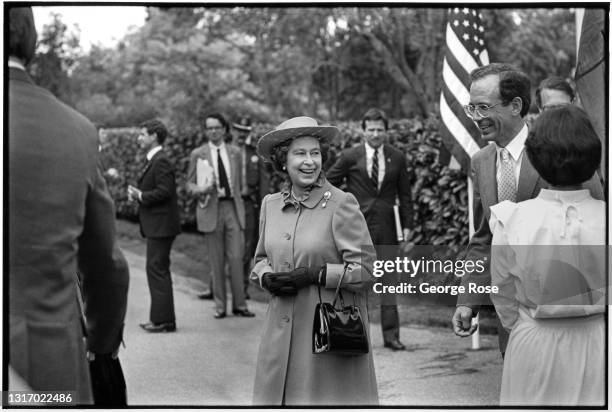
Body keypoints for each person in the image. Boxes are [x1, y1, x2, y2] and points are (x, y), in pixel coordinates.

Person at [8, 7, 129, 404]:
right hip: (46, 366)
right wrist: (102, 340)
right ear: (31, 40)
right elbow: (107, 264)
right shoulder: (75, 128)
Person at [451, 63, 603, 354]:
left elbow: (596, 220)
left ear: (515, 105)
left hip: (576, 327)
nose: (476, 118)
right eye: (472, 109)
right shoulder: (481, 161)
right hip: (514, 329)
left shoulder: (560, 149)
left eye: (483, 107)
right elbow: (485, 240)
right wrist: (468, 299)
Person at [251, 116, 378, 405]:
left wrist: (316, 274)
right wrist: (266, 276)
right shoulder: (270, 205)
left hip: (324, 339)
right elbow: (259, 260)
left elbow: (368, 271)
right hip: (277, 336)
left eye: (315, 153)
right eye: (300, 153)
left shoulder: (341, 203)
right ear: (283, 160)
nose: (310, 162)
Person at [489, 106, 604, 405]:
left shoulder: (511, 219)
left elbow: (503, 296)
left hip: (534, 340)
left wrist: (529, 324)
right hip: (599, 342)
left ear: (536, 158)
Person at [327, 108, 413, 351]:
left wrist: (408, 226)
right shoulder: (349, 156)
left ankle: (391, 336)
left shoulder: (397, 157)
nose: (376, 134)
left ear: (386, 131)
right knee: (357, 280)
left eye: (380, 129)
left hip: (387, 227)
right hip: (357, 228)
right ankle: (354, 332)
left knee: (389, 282)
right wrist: (339, 211)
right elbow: (329, 184)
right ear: (363, 131)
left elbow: (405, 195)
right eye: (371, 129)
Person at [186, 113, 255, 318]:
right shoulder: (198, 154)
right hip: (211, 209)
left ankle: (240, 305)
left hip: (233, 208)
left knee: (236, 257)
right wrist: (202, 189)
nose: (213, 131)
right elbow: (189, 185)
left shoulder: (234, 153)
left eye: (217, 127)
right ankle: (220, 306)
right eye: (209, 128)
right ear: (205, 131)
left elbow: (238, 184)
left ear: (224, 129)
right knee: (216, 261)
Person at [127, 119, 181, 332]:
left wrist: (140, 195)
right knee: (157, 269)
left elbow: (165, 191)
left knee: (157, 269)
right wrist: (139, 196)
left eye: (142, 134)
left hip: (161, 226)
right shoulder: (155, 160)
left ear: (154, 137)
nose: (139, 138)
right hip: (158, 225)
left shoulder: (161, 161)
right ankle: (162, 318)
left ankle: (163, 321)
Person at [232, 116, 270, 299]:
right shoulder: (226, 152)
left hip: (248, 204)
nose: (241, 134)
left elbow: (264, 183)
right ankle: (215, 287)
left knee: (246, 248)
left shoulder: (255, 154)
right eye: (238, 130)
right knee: (223, 244)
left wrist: (266, 209)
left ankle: (242, 289)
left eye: (245, 131)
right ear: (233, 131)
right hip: (228, 203)